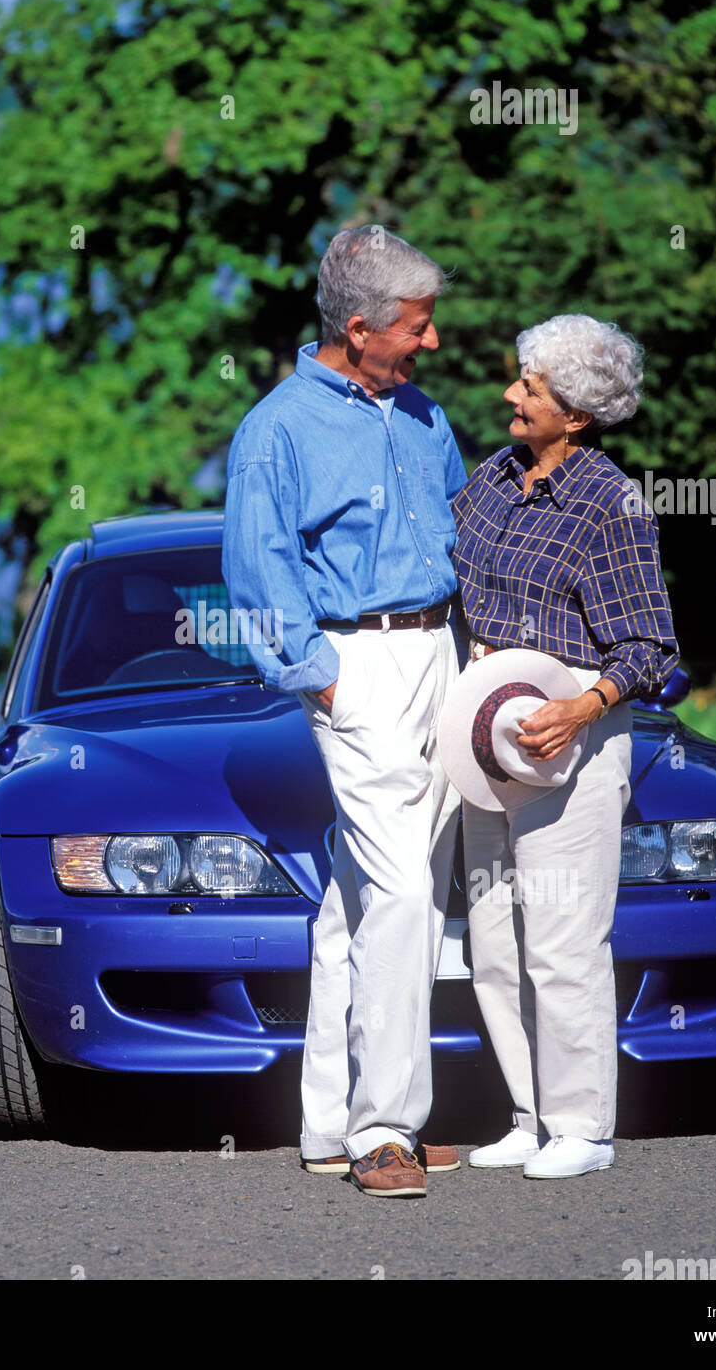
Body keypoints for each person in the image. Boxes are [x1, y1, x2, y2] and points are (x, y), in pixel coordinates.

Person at [222, 225, 468, 1197]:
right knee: (405, 891)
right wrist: (320, 674)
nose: (432, 342)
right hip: (350, 663)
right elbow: (257, 564)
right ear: (358, 327)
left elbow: (464, 532)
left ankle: (327, 1122)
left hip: (439, 655)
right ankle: (385, 1129)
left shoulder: (423, 415)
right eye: (416, 326)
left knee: (360, 901)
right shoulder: (276, 428)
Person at [451, 312, 679, 1178]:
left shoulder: (610, 503)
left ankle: (583, 1130)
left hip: (570, 746)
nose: (511, 394)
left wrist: (582, 709)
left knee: (563, 939)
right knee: (497, 942)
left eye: (531, 389)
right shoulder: (495, 477)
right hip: (486, 740)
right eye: (520, 377)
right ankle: (527, 1113)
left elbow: (650, 647)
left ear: (576, 415)